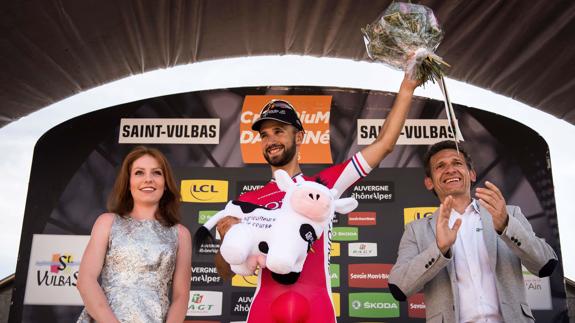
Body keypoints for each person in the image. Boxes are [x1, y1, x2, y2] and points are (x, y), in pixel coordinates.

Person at [216, 73, 420, 323]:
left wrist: (407, 88)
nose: (270, 141)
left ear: (299, 137)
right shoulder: (247, 201)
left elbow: (385, 144)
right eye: (265, 135)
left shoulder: (323, 186)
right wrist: (227, 238)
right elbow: (224, 270)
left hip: (316, 306)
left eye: (278, 131)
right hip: (265, 307)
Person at [388, 140, 558, 323]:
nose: (450, 169)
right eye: (440, 166)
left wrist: (506, 226)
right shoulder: (416, 230)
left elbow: (546, 264)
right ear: (429, 182)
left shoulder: (509, 214)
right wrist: (439, 249)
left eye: (457, 163)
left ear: (472, 174)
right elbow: (399, 287)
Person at [76, 146, 192, 323]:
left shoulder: (181, 234)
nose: (148, 179)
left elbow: (181, 296)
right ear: (128, 183)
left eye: (156, 173)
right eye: (139, 173)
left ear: (166, 183)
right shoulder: (107, 222)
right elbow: (86, 280)